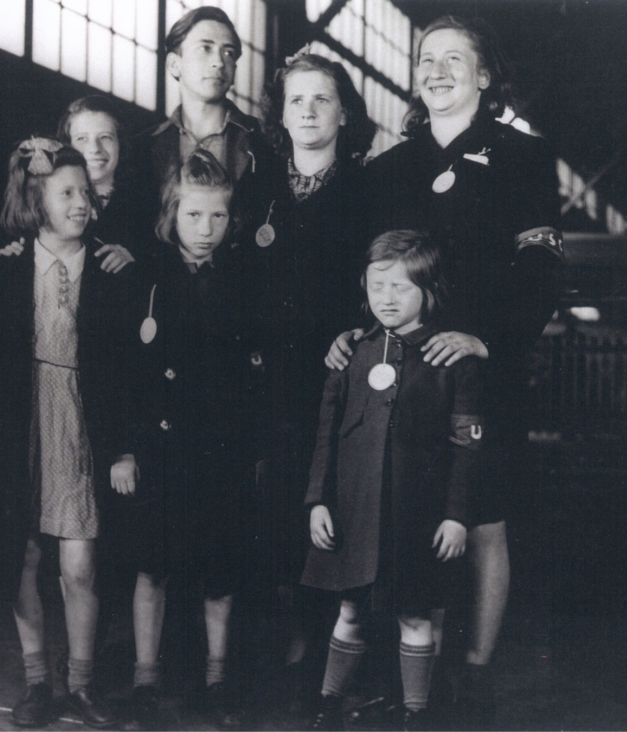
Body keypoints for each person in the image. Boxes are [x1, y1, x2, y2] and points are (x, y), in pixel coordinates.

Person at [326, 16, 564, 726]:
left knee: (483, 520)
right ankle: (397, 674)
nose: (436, 70)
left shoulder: (525, 157)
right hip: (398, 377)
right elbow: (360, 274)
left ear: (484, 76)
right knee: (399, 513)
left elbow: (542, 271)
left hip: (482, 372)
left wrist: (489, 340)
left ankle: (477, 674)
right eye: (426, 58)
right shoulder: (385, 169)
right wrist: (358, 334)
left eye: (454, 59)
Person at [0, 138, 132, 728]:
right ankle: (39, 683)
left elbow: (129, 371)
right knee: (23, 558)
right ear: (36, 198)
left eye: (86, 192)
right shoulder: (5, 268)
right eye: (67, 193)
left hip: (82, 425)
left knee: (79, 565)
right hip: (19, 426)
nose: (82, 203)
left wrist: (124, 446)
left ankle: (80, 686)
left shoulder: (114, 268)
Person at [303, 231, 485, 731]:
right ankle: (327, 704)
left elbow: (466, 447)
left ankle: (416, 715)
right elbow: (327, 434)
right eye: (377, 284)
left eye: (400, 288)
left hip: (418, 516)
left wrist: (456, 516)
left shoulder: (453, 359)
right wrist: (319, 500)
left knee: (416, 615)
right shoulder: (352, 353)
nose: (386, 297)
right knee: (351, 608)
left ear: (428, 292)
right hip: (355, 508)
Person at [242, 48, 376, 716]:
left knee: (330, 519)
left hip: (336, 385)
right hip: (265, 387)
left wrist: (352, 334)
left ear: (344, 112)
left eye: (322, 99)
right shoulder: (257, 189)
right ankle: (279, 656)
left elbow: (381, 287)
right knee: (270, 521)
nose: (308, 111)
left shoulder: (368, 192)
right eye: (296, 99)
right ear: (280, 113)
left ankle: (328, 674)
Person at [111, 149, 252, 730]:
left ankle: (217, 680)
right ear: (172, 213)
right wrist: (123, 448)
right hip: (159, 449)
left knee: (219, 570)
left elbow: (250, 376)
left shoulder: (241, 282)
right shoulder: (145, 277)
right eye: (194, 216)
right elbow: (122, 371)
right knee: (153, 567)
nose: (206, 229)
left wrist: (251, 453)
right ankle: (146, 680)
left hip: (219, 450)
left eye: (218, 218)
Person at [123, 5, 271, 257]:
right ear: (174, 65)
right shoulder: (142, 147)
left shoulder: (263, 140)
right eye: (206, 48)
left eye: (228, 53)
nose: (218, 62)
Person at [59, 94, 140, 270]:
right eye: (82, 139)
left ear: (120, 143)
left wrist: (135, 263)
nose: (95, 149)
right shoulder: (50, 201)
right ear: (68, 146)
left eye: (105, 137)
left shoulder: (144, 203)